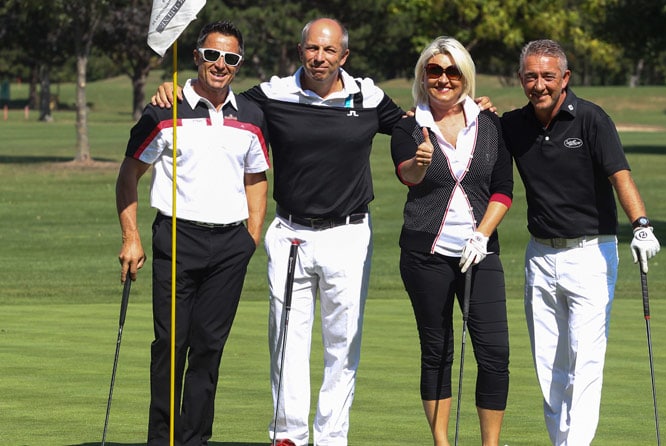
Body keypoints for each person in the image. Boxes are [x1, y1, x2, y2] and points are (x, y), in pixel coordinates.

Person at [150, 19, 495, 446]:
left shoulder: (366, 96)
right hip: (291, 231)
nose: (320, 58)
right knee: (286, 342)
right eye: (313, 49)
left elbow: (416, 120)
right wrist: (177, 88)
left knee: (341, 344)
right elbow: (220, 96)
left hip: (348, 235)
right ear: (301, 51)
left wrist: (471, 106)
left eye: (330, 51)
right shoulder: (273, 95)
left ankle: (331, 438)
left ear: (343, 56)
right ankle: (288, 436)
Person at [500, 39, 661, 446]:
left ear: (565, 78)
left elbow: (620, 176)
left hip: (591, 255)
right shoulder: (513, 125)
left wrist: (641, 224)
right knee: (548, 364)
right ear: (521, 79)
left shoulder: (591, 119)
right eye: (531, 76)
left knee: (585, 361)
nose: (539, 85)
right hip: (539, 256)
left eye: (548, 76)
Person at [116, 21, 269, 446]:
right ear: (198, 56)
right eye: (213, 55)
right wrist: (131, 236)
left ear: (238, 64)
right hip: (177, 240)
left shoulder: (251, 115)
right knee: (170, 345)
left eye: (231, 58)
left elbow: (256, 177)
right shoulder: (165, 109)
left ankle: (194, 440)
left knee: (208, 348)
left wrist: (251, 236)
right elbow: (129, 174)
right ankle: (161, 439)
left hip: (229, 247)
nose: (221, 64)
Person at [390, 37, 513, 446]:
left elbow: (503, 189)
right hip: (426, 253)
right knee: (437, 350)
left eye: (452, 71)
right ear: (423, 76)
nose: (443, 79)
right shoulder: (409, 125)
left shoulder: (490, 123)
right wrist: (418, 163)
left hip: (480, 251)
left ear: (465, 76)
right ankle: (442, 442)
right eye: (434, 71)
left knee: (494, 354)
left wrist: (482, 234)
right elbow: (406, 174)